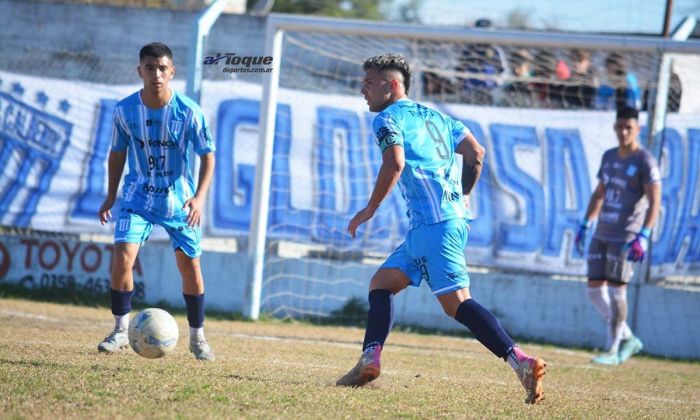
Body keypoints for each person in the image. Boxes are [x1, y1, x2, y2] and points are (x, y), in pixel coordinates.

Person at [336, 53, 546, 404]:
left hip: (435, 228)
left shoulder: (387, 118)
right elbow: (475, 152)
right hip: (435, 225)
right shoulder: (437, 116)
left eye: (369, 83)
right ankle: (369, 359)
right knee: (382, 284)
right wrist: (462, 195)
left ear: (392, 85)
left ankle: (521, 361)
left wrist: (369, 209)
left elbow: (395, 162)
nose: (363, 90)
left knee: (458, 304)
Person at [96, 42, 216, 361]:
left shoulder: (189, 111)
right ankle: (121, 330)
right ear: (140, 71)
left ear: (172, 72)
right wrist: (110, 196)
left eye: (162, 68)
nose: (156, 74)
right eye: (150, 68)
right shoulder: (124, 110)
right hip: (137, 197)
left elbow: (208, 156)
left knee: (189, 267)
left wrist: (200, 198)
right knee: (122, 255)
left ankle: (198, 338)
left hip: (179, 203)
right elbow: (117, 154)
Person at [574, 106, 661, 365]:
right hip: (602, 231)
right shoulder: (609, 156)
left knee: (615, 292)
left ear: (638, 129)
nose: (623, 132)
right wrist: (585, 224)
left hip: (626, 236)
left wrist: (644, 234)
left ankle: (612, 349)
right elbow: (599, 193)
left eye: (629, 128)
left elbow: (655, 200)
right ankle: (628, 338)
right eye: (620, 126)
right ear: (614, 127)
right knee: (593, 290)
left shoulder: (645, 160)